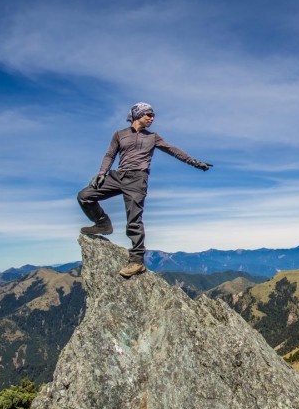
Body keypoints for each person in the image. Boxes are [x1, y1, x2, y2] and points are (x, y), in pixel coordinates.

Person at [77, 102, 212, 278]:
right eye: (148, 114)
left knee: (134, 219)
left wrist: (194, 162)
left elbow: (173, 150)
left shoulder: (153, 137)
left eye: (152, 115)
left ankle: (137, 261)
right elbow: (110, 154)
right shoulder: (119, 135)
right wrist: (102, 173)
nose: (152, 118)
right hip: (117, 176)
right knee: (84, 196)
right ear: (137, 114)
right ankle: (103, 223)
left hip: (137, 179)